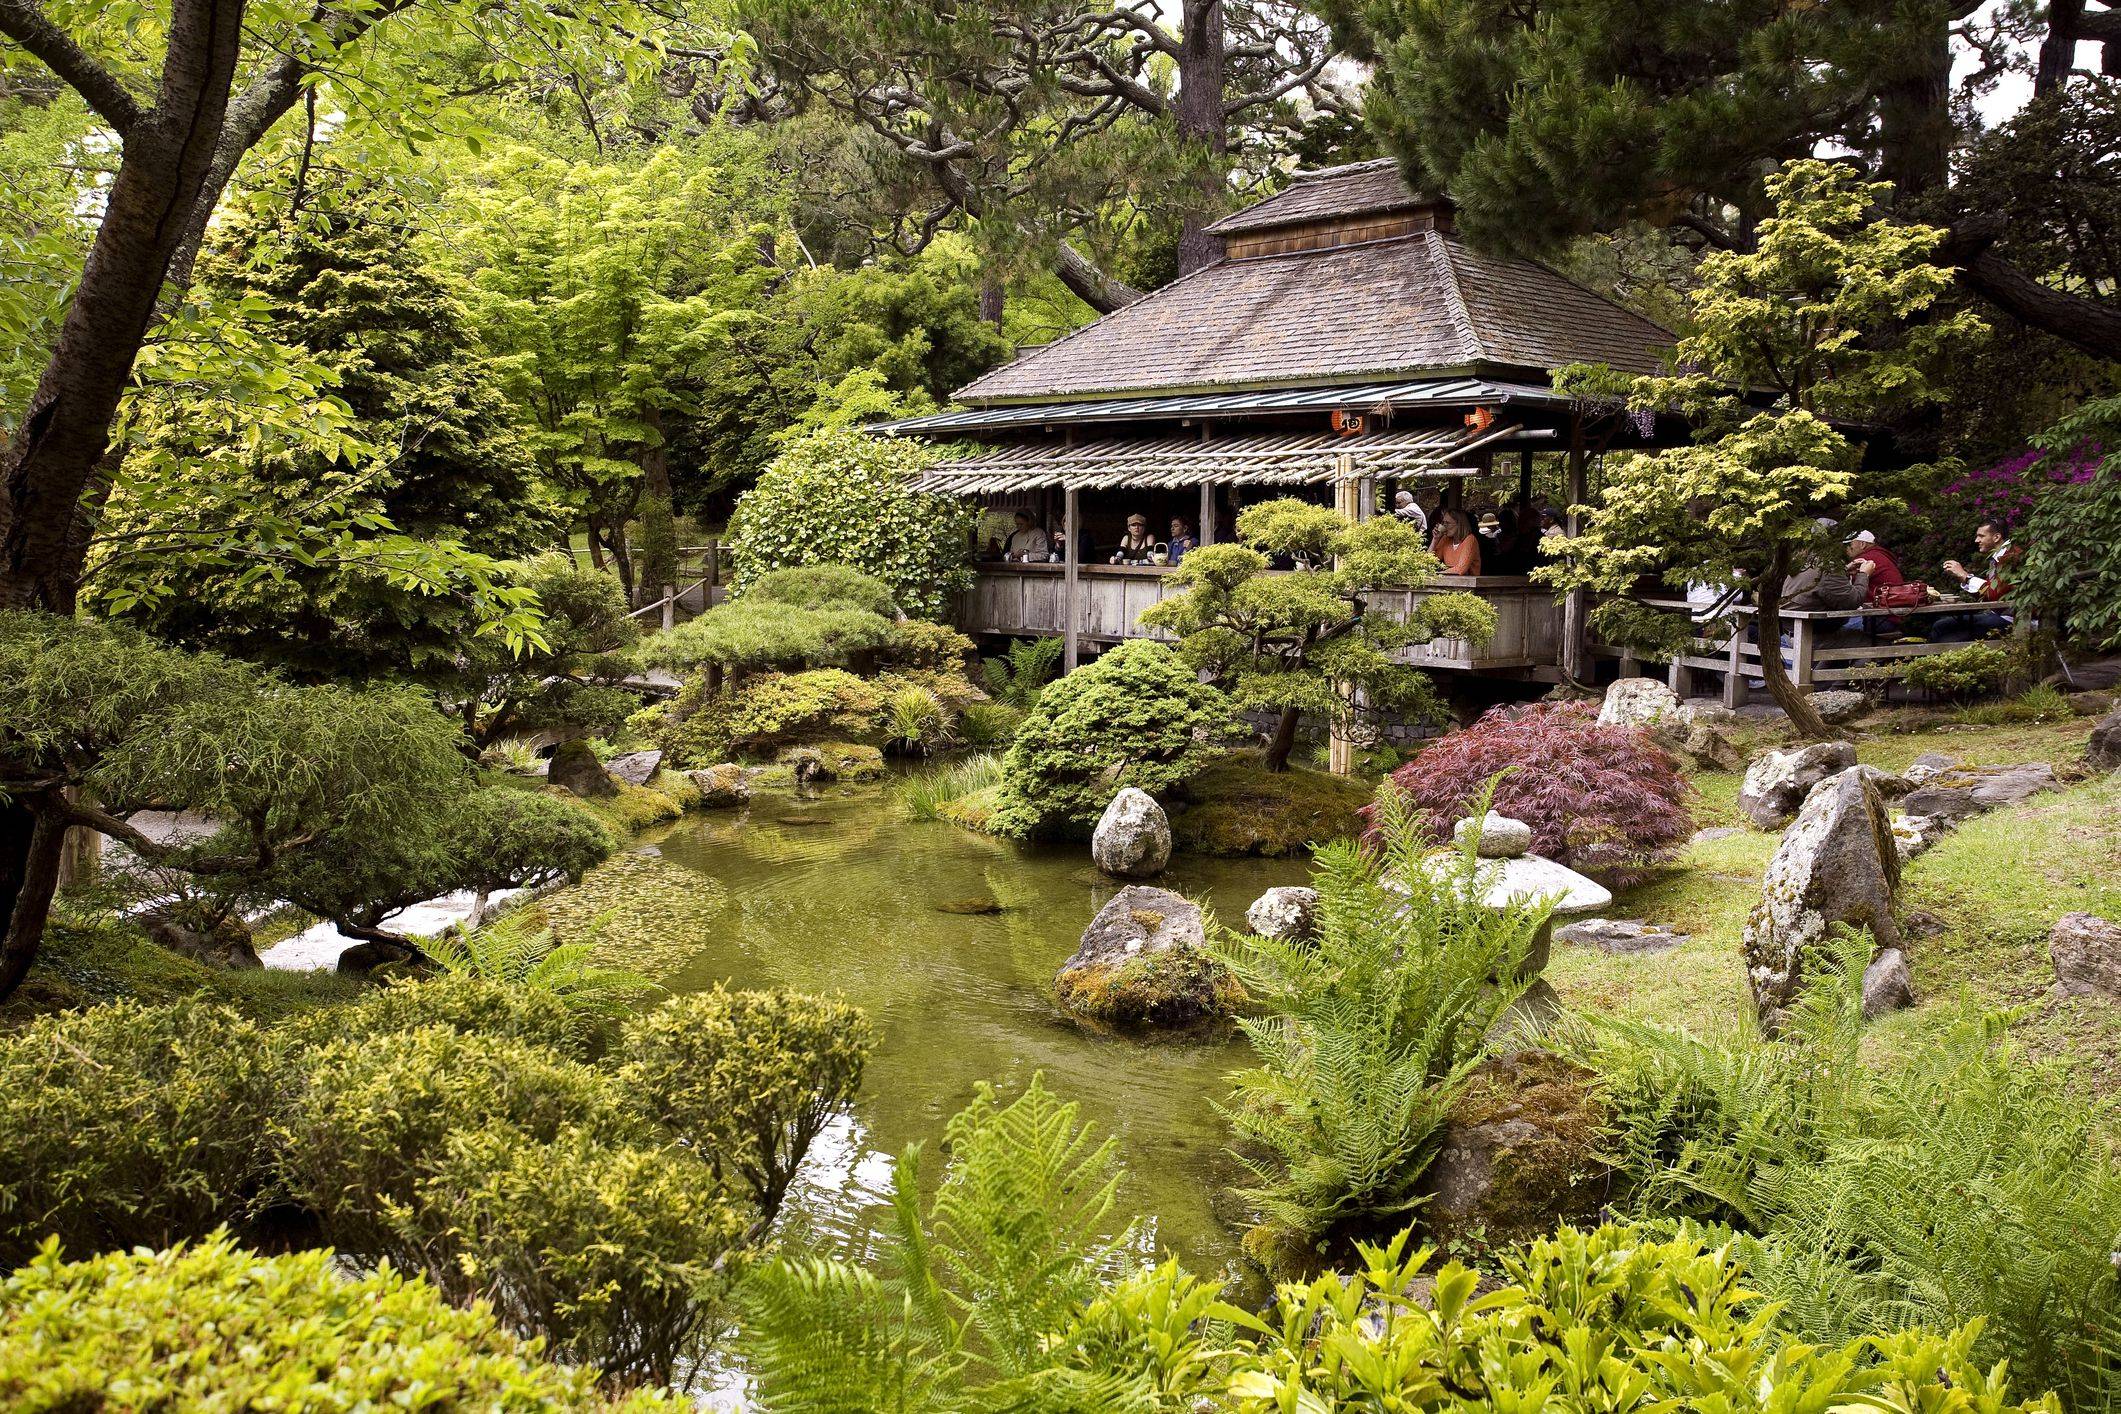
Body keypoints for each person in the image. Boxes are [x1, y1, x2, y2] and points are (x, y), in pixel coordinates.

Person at [1933, 517, 2019, 639]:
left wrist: (1966, 576)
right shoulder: (1997, 557)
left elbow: (1994, 594)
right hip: (1999, 616)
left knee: (1950, 635)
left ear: (1996, 537)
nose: (1976, 540)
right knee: (1941, 625)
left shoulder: (2010, 556)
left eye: (1981, 536)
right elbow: (1987, 595)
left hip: (2013, 620)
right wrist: (1963, 578)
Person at [1781, 518, 1864, 615]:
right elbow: (1851, 602)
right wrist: (1863, 574)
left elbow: (1822, 581)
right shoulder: (1828, 567)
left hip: (1788, 619)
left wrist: (1844, 569)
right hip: (1809, 622)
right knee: (1861, 620)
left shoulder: (1802, 559)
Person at [1430, 507, 1482, 575]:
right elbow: (1428, 562)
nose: (1444, 526)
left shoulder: (1470, 539)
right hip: (1450, 579)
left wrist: (1437, 574)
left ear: (1459, 524)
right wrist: (1435, 540)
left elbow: (1460, 569)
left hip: (1468, 581)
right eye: (1443, 523)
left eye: (1447, 523)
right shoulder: (1445, 539)